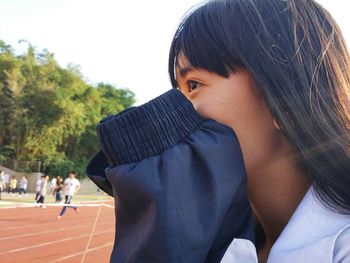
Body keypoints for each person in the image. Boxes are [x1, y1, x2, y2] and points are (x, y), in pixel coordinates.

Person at [88, 0, 350, 262]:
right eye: (180, 91)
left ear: (285, 98)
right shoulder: (213, 242)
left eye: (194, 84)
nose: (180, 111)